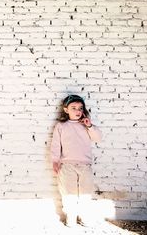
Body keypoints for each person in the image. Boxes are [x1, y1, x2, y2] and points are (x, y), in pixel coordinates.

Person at [51, 94, 102, 227]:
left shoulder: (86, 125)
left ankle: (84, 216)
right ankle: (71, 216)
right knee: (68, 192)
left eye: (80, 108)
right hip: (67, 165)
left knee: (85, 192)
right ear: (66, 110)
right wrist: (55, 160)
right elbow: (56, 144)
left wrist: (90, 126)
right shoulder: (61, 126)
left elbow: (97, 138)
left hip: (85, 165)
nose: (78, 111)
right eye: (73, 108)